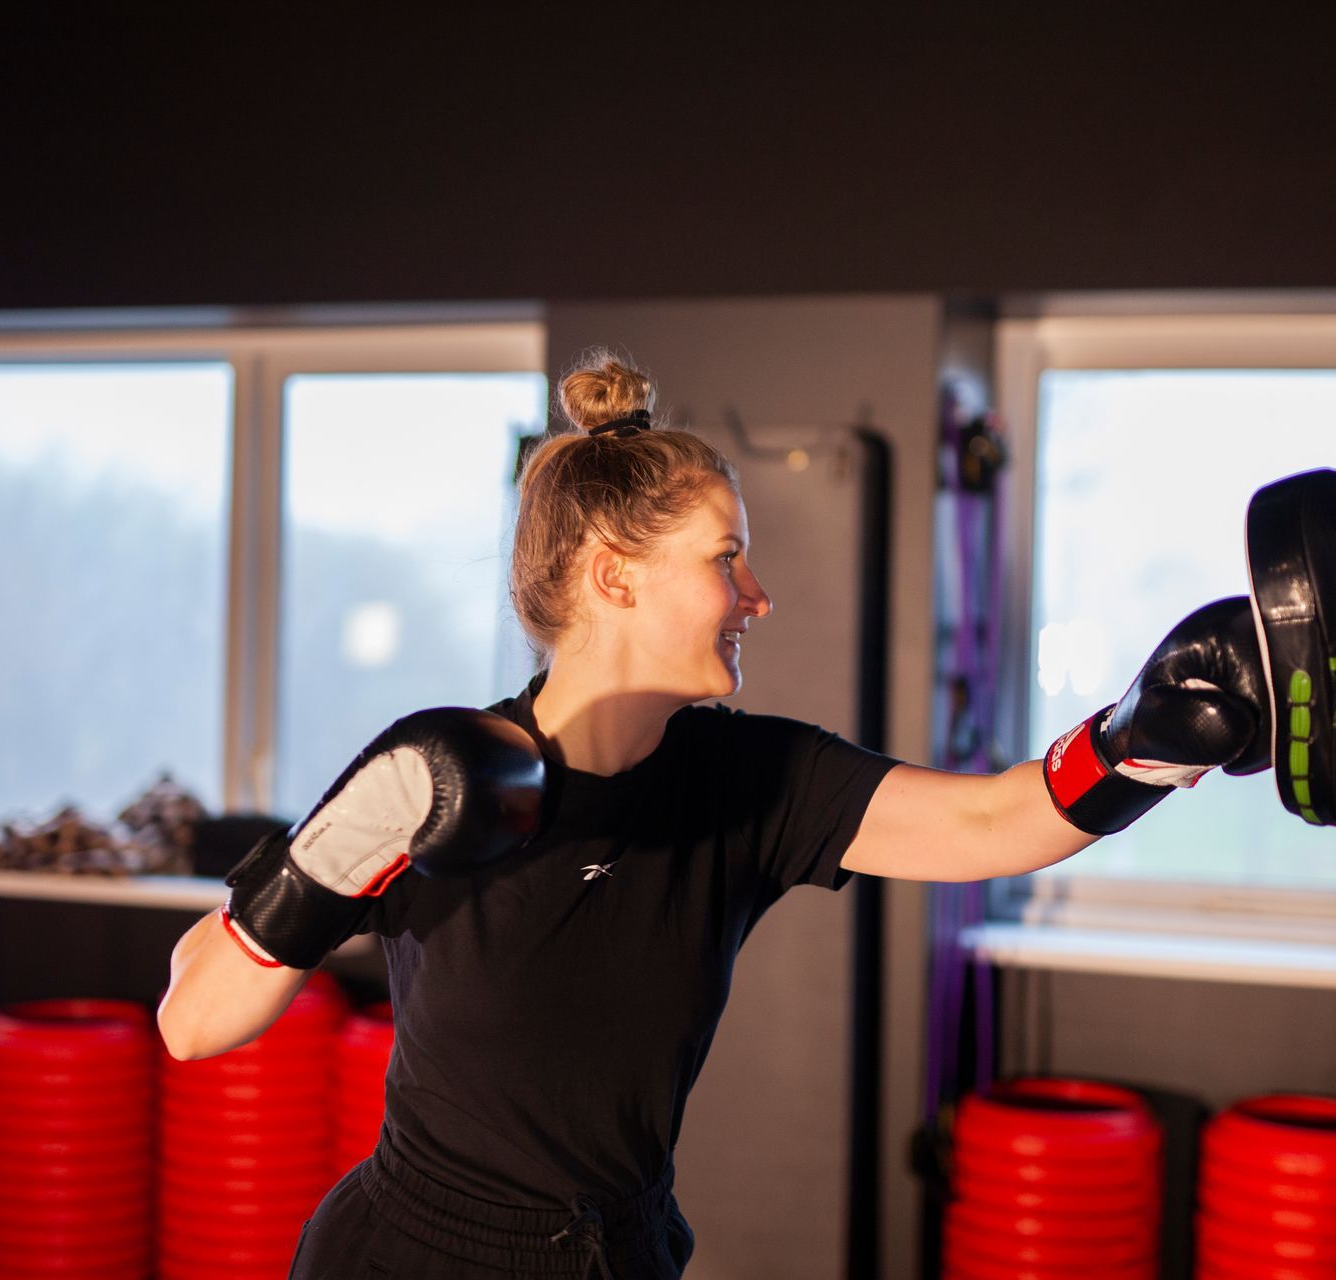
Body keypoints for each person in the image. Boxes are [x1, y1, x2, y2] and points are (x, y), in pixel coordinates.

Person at [156, 352, 1266, 1279]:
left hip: (620, 1251)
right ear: (615, 577)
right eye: (725, 558)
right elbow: (191, 1023)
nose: (756, 594)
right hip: (419, 1251)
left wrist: (1131, 745)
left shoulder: (751, 778)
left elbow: (989, 826)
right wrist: (336, 847)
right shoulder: (447, 780)